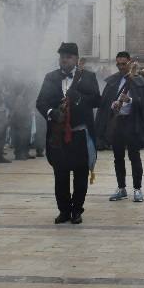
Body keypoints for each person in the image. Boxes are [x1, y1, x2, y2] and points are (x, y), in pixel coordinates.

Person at [35, 43, 101, 224]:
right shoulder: (51, 77)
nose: (64, 59)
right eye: (62, 56)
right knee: (60, 174)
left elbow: (97, 100)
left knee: (80, 174)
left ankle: (77, 210)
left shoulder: (88, 77)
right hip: (57, 135)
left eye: (69, 56)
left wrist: (78, 97)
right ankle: (63, 210)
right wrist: (52, 113)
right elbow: (41, 102)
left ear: (76, 59)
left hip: (79, 134)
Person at [101, 52, 144, 203]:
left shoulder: (138, 80)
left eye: (123, 64)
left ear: (129, 62)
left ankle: (137, 189)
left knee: (134, 157)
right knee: (118, 157)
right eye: (118, 64)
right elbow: (105, 101)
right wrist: (112, 105)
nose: (120, 67)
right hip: (117, 123)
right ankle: (121, 188)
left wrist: (130, 100)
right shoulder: (113, 81)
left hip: (132, 123)